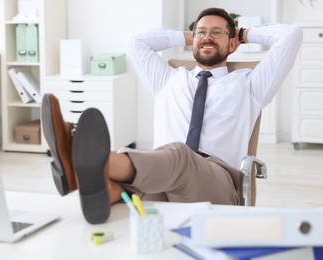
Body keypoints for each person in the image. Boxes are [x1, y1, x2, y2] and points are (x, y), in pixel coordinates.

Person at [41, 7, 302, 224]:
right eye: (201, 32)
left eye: (217, 33)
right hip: (161, 179)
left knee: (178, 155)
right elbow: (136, 40)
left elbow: (291, 35)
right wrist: (192, 35)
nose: (207, 37)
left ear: (232, 43)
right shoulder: (168, 78)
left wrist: (242, 33)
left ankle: (80, 156)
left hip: (219, 186)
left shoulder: (251, 85)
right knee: (121, 191)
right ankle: (87, 177)